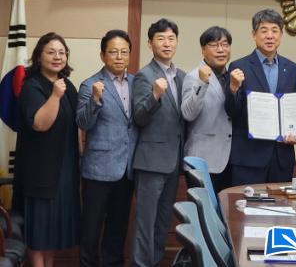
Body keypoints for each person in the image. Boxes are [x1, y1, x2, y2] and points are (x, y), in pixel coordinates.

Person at [13, 32, 80, 267]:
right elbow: (40, 124)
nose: (57, 57)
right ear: (39, 57)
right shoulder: (31, 86)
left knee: (52, 233)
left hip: (64, 170)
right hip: (40, 173)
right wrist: (55, 96)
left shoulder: (67, 85)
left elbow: (77, 125)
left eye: (62, 52)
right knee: (38, 232)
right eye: (51, 52)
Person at [77, 30, 136, 267]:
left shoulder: (137, 83)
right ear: (103, 55)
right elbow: (83, 123)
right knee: (91, 229)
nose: (119, 57)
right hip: (98, 170)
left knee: (117, 228)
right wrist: (95, 100)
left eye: (124, 52)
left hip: (127, 169)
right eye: (113, 52)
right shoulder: (90, 84)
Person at [130, 18, 186, 267]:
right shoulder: (144, 75)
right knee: (146, 223)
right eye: (161, 38)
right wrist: (154, 95)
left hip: (174, 161)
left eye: (171, 38)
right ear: (150, 43)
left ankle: (154, 262)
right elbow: (139, 117)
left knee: (163, 222)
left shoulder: (182, 76)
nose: (167, 43)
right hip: (151, 162)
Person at [226, 9, 296, 185]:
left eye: (275, 30)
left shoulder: (292, 69)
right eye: (264, 30)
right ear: (254, 35)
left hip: (281, 156)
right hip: (249, 157)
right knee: (246, 203)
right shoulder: (239, 66)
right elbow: (231, 111)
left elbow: (294, 110)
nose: (270, 36)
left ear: (281, 35)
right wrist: (233, 89)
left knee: (280, 202)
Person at [181, 26, 233, 192]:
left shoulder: (232, 77)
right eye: (214, 45)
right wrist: (202, 83)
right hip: (202, 161)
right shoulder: (193, 76)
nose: (221, 50)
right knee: (203, 208)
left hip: (230, 160)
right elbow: (188, 114)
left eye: (225, 44)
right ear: (203, 50)